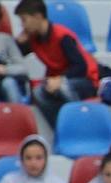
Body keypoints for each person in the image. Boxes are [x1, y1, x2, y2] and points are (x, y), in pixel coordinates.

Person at [13, 0, 100, 128]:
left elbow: (81, 67)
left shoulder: (62, 36)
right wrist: (19, 43)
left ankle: (80, 125)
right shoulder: (33, 38)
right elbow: (15, 56)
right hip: (54, 82)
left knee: (64, 87)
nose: (22, 25)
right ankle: (60, 128)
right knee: (38, 92)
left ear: (38, 17)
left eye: (24, 20)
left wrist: (60, 79)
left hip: (84, 80)